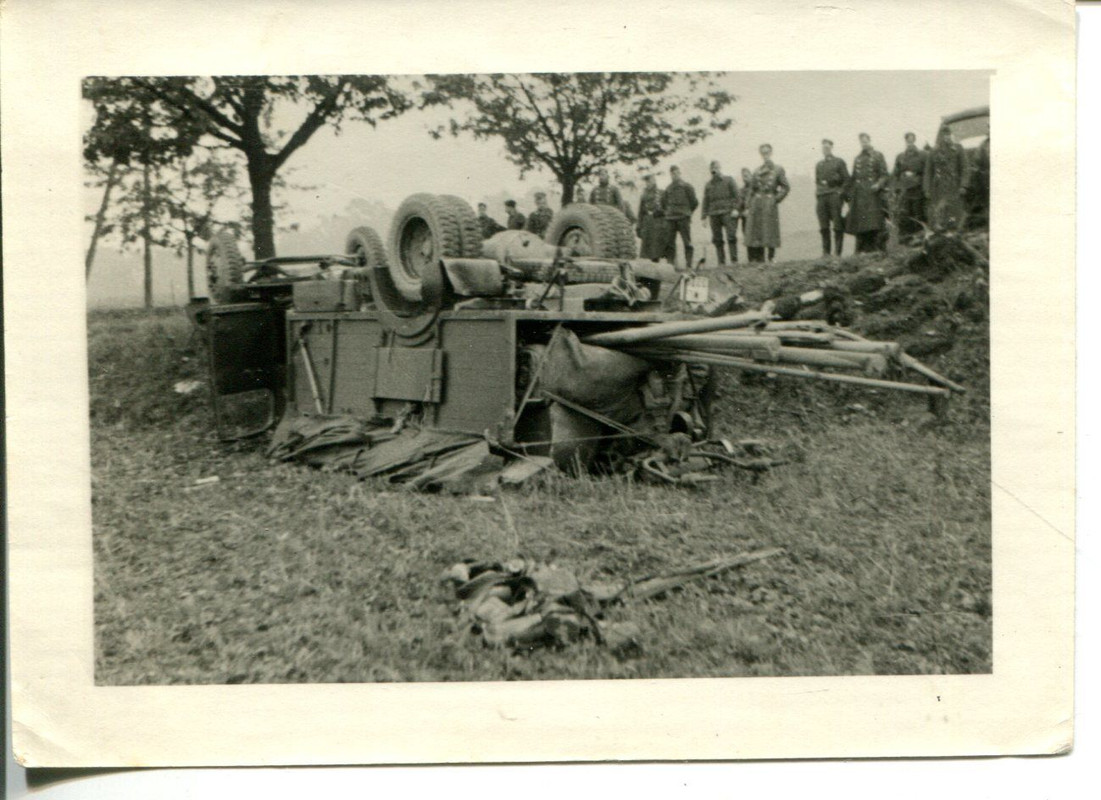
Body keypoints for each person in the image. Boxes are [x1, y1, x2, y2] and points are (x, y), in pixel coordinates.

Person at [845, 133, 890, 253]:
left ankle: (876, 248)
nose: (864, 144)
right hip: (859, 194)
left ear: (870, 141)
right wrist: (848, 192)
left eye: (865, 141)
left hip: (872, 194)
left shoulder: (878, 156)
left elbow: (884, 174)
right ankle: (861, 249)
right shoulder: (857, 158)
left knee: (874, 221)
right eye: (862, 142)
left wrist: (878, 184)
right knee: (861, 222)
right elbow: (854, 177)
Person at [744, 143, 789, 263]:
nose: (765, 155)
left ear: (771, 153)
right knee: (757, 231)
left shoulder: (778, 169)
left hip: (769, 202)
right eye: (763, 153)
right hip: (757, 203)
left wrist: (776, 199)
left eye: (767, 152)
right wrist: (748, 204)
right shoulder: (757, 171)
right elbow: (751, 189)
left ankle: (771, 257)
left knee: (770, 230)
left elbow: (785, 187)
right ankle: (760, 259)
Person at [923, 124, 971, 232]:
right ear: (940, 136)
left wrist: (964, 185)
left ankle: (956, 234)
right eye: (944, 135)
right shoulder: (933, 151)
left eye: (948, 135)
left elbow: (965, 168)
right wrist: (926, 189)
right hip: (938, 187)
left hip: (954, 185)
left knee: (955, 213)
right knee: (939, 214)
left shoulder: (958, 148)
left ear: (951, 135)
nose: (946, 137)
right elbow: (928, 172)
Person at [701, 160, 741, 265]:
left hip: (727, 212)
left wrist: (735, 209)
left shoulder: (728, 180)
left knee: (731, 236)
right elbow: (706, 201)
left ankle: (734, 260)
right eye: (712, 169)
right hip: (714, 214)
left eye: (717, 168)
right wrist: (703, 216)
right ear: (710, 170)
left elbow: (737, 196)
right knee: (717, 239)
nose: (715, 170)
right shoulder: (708, 185)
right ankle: (721, 262)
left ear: (720, 168)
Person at [814, 138, 850, 257]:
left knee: (837, 224)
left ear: (831, 148)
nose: (826, 149)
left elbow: (847, 180)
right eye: (824, 147)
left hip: (834, 195)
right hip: (822, 196)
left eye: (828, 147)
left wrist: (840, 192)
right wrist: (818, 193)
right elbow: (818, 181)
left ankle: (837, 252)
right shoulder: (819, 165)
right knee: (823, 225)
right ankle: (826, 252)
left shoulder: (839, 162)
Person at [659, 165, 699, 269]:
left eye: (677, 173)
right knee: (670, 243)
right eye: (673, 173)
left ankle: (689, 265)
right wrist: (668, 212)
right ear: (670, 175)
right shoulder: (668, 189)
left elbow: (694, 202)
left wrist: (687, 212)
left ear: (680, 173)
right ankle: (671, 266)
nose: (675, 175)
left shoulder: (687, 186)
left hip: (683, 218)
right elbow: (663, 203)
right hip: (671, 219)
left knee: (687, 242)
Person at [892, 132, 927, 243]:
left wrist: (922, 184)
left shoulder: (922, 155)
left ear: (914, 140)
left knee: (918, 214)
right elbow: (895, 174)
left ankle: (920, 238)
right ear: (905, 141)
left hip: (918, 188)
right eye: (908, 140)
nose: (910, 142)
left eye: (912, 140)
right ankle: (907, 239)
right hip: (905, 190)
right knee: (905, 214)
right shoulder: (901, 156)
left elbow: (927, 172)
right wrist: (896, 188)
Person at [636, 174, 666, 262]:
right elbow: (640, 212)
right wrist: (638, 226)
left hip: (657, 223)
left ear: (654, 181)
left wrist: (660, 214)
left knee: (656, 250)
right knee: (646, 251)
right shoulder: (644, 195)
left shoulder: (661, 193)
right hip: (647, 223)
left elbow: (666, 209)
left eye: (649, 181)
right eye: (646, 181)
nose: (647, 183)